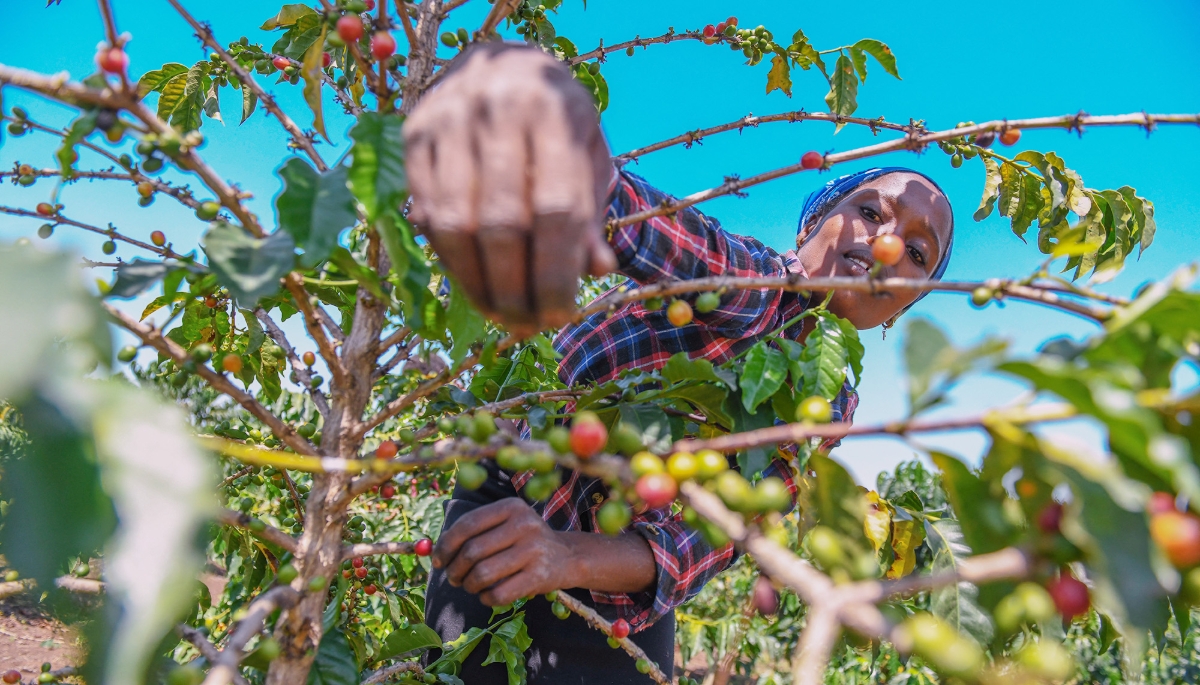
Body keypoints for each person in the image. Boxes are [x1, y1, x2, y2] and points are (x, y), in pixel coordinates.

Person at [402, 43, 954, 684]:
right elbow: (674, 244)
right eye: (869, 212)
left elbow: (704, 541)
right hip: (509, 511)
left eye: (918, 253)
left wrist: (565, 557)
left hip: (611, 582)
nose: (887, 246)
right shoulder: (758, 288)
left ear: (903, 308)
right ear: (809, 229)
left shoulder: (827, 406)